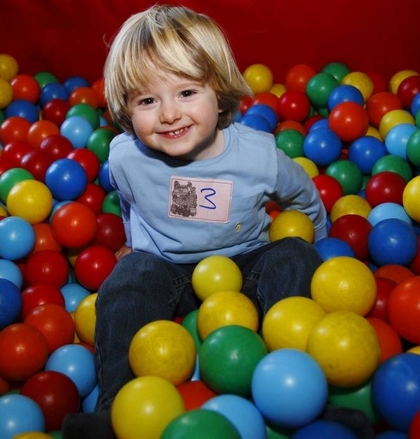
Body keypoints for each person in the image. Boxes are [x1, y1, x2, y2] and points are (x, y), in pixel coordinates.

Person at [63, 4, 371, 439]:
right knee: (129, 277)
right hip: (170, 271)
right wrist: (135, 243)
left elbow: (302, 193)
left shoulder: (257, 155)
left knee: (294, 258)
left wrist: (318, 237)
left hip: (245, 266)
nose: (169, 114)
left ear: (219, 91)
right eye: (148, 100)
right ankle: (113, 410)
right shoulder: (126, 157)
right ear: (126, 108)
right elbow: (130, 200)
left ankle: (311, 401)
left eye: (187, 93)